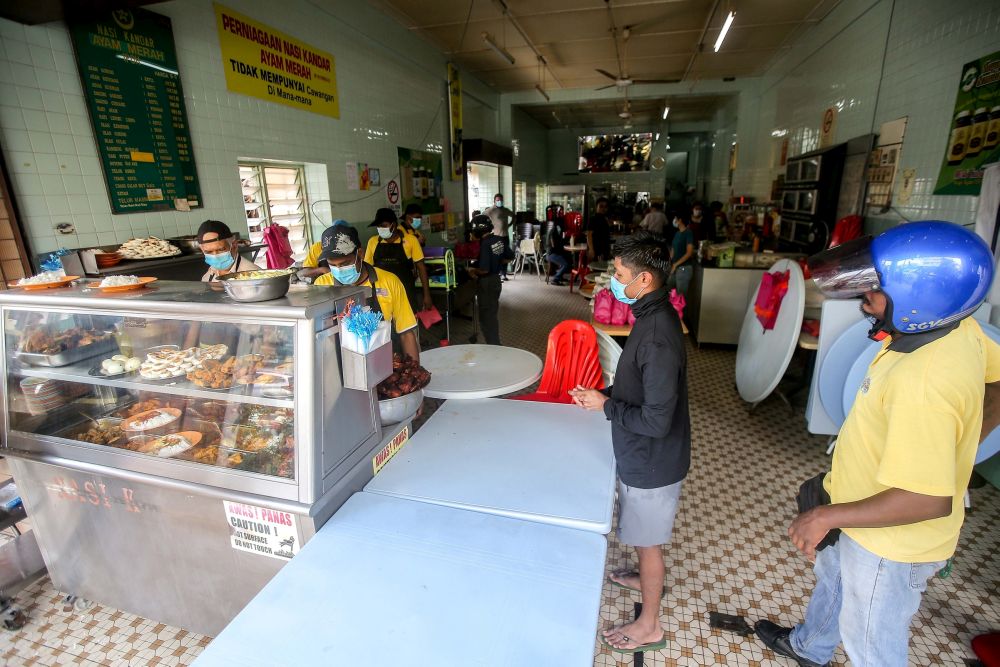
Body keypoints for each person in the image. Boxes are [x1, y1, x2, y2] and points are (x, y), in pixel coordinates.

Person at [754, 221, 998, 667]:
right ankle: (810, 647)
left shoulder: (924, 379)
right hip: (859, 503)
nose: (864, 298)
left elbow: (925, 498)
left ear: (921, 297)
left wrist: (826, 515)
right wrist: (960, 451)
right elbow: (998, 383)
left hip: (890, 543)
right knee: (834, 582)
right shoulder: (957, 329)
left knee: (871, 643)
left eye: (876, 289)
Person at [568, 231, 690, 655]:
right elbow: (641, 385)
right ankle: (644, 573)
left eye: (619, 274)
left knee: (648, 541)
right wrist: (607, 392)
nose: (612, 281)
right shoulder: (651, 315)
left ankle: (649, 624)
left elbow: (656, 421)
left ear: (644, 281)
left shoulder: (656, 334)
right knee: (643, 536)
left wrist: (606, 405)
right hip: (644, 452)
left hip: (653, 460)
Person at [313, 225, 420, 362]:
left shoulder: (389, 281)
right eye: (332, 265)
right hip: (340, 369)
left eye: (345, 263)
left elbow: (406, 333)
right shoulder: (321, 286)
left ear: (361, 254)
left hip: (387, 364)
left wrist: (415, 372)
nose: (339, 270)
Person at [365, 208, 433, 314]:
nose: (380, 229)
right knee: (386, 325)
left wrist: (427, 295)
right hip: (382, 294)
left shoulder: (410, 240)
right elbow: (367, 269)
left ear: (394, 224)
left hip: (406, 291)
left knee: (408, 325)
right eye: (378, 226)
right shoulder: (373, 242)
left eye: (383, 225)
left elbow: (421, 268)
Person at [467, 214, 513, 345]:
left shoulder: (485, 244)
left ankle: (494, 346)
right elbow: (510, 256)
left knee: (487, 318)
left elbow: (484, 270)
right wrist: (497, 262)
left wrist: (472, 270)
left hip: (487, 282)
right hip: (496, 280)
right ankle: (495, 344)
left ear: (478, 231)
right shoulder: (498, 239)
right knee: (492, 314)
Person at [486, 194, 513, 281]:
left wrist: (509, 225)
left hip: (505, 236)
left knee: (505, 256)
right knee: (497, 256)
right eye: (497, 200)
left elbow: (514, 216)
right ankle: (496, 274)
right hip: (496, 237)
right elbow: (482, 217)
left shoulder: (505, 210)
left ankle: (503, 274)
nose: (499, 201)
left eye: (501, 200)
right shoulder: (491, 210)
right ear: (494, 201)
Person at [668, 214, 695, 297]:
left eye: (676, 218)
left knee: (681, 296)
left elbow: (689, 253)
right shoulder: (677, 233)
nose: (674, 220)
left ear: (680, 220)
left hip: (684, 268)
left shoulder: (688, 233)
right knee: (669, 291)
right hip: (674, 267)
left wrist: (676, 264)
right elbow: (673, 250)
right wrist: (669, 262)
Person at [545, 218, 571, 286]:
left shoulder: (556, 230)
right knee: (565, 264)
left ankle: (560, 277)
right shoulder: (553, 232)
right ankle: (555, 279)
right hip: (551, 254)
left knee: (568, 258)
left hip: (554, 253)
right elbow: (554, 245)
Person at [586, 197, 612, 262]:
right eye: (601, 206)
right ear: (596, 207)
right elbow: (589, 235)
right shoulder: (593, 219)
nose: (603, 209)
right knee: (597, 269)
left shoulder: (605, 219)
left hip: (604, 250)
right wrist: (591, 250)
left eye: (605, 207)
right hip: (597, 250)